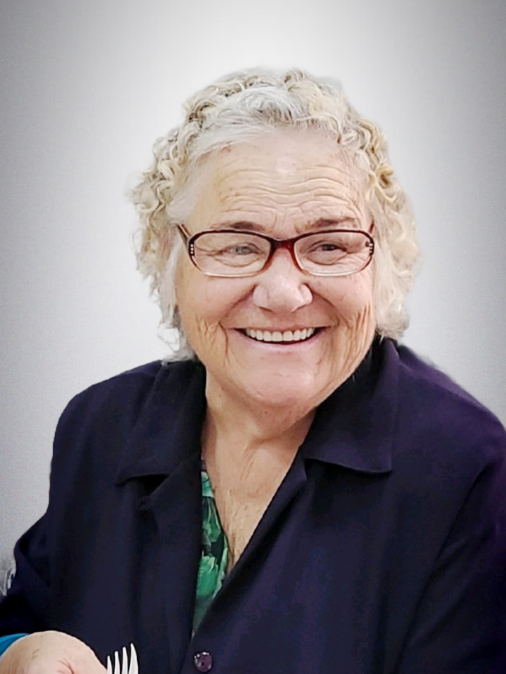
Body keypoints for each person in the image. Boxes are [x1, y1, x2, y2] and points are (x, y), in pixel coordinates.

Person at [0, 68, 505, 674]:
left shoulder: (466, 470)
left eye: (329, 245)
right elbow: (24, 617)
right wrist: (17, 653)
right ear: (169, 259)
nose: (285, 293)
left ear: (381, 261)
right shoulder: (101, 427)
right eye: (238, 245)